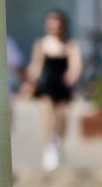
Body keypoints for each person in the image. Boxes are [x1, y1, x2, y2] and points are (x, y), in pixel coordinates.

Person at [24, 9, 83, 171]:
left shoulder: (70, 45)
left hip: (62, 83)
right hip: (47, 83)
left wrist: (72, 76)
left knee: (63, 115)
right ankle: (48, 147)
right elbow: (36, 66)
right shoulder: (41, 44)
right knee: (48, 114)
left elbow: (76, 64)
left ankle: (58, 143)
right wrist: (30, 83)